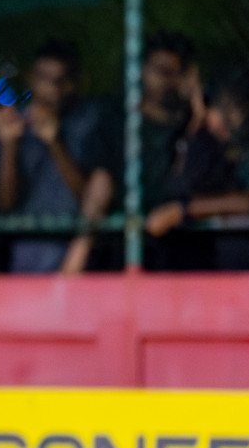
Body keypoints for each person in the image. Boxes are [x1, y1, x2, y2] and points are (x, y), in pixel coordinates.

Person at [60, 31, 196, 273]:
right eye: (161, 71)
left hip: (179, 256)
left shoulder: (192, 126)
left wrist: (197, 117)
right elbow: (99, 185)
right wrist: (78, 254)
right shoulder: (116, 124)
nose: (169, 80)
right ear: (141, 71)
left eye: (176, 73)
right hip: (116, 254)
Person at [144, 70, 249, 270]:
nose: (224, 119)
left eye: (235, 110)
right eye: (218, 108)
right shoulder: (199, 142)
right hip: (188, 260)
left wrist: (184, 210)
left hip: (243, 260)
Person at [0, 39, 106, 272]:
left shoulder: (90, 121)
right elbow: (4, 203)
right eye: (43, 78)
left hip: (75, 252)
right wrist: (10, 146)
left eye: (60, 81)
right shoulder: (14, 122)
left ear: (74, 84)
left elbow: (95, 198)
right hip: (25, 250)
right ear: (30, 78)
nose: (51, 89)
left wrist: (55, 143)